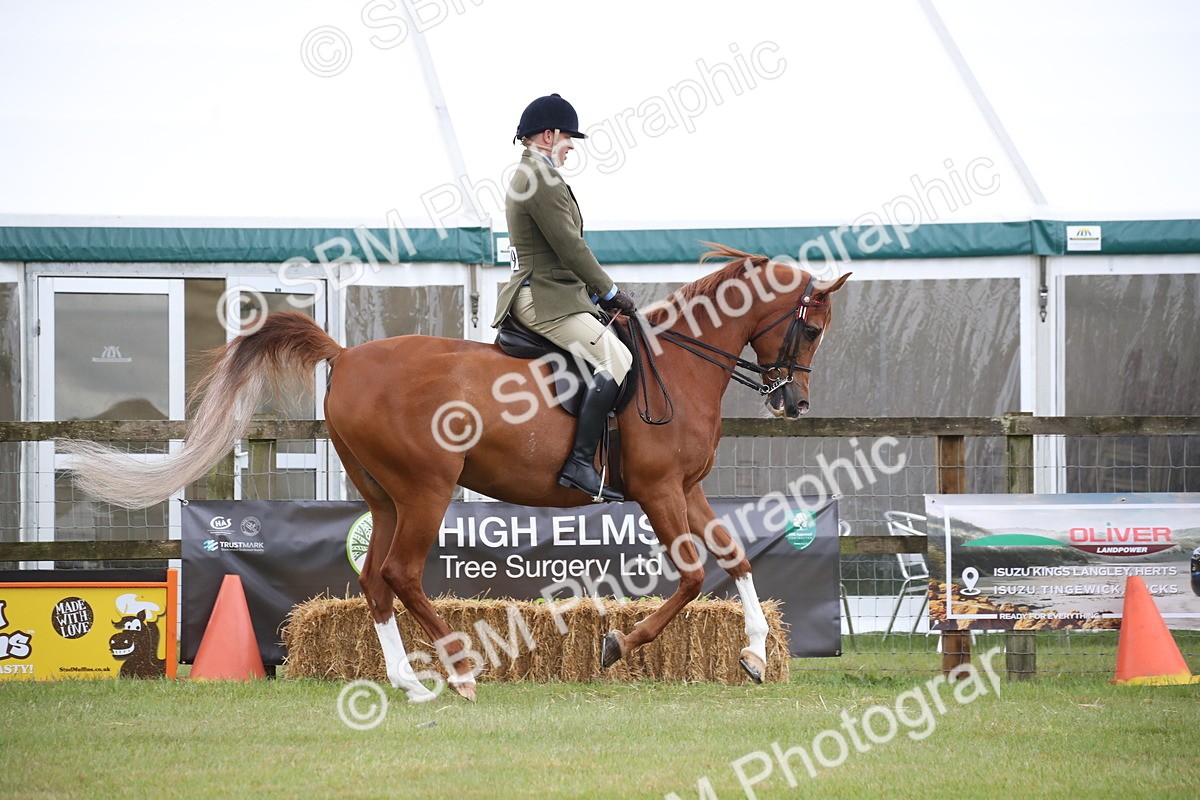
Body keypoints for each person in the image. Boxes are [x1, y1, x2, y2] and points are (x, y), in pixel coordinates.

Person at [493, 93, 635, 502]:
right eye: (569, 138)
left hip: (554, 291)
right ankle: (579, 463)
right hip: (544, 298)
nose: (572, 146)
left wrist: (596, 294)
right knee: (617, 359)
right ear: (549, 134)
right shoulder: (540, 179)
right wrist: (609, 291)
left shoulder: (535, 175)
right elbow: (571, 247)